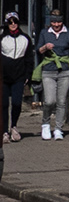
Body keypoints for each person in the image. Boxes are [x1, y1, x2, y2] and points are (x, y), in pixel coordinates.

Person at [32, 10, 69, 141]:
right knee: (50, 100)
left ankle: (58, 129)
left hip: (65, 71)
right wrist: (45, 47)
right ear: (50, 22)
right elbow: (38, 50)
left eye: (59, 22)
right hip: (48, 70)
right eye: (53, 22)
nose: (56, 24)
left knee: (62, 101)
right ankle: (45, 124)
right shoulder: (45, 33)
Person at [0, 13, 30, 142]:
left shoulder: (25, 38)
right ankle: (4, 131)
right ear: (6, 23)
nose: (13, 24)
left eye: (15, 22)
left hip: (19, 76)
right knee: (4, 104)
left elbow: (29, 59)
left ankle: (14, 126)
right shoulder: (2, 38)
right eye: (10, 22)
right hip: (3, 77)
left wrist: (28, 75)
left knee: (17, 103)